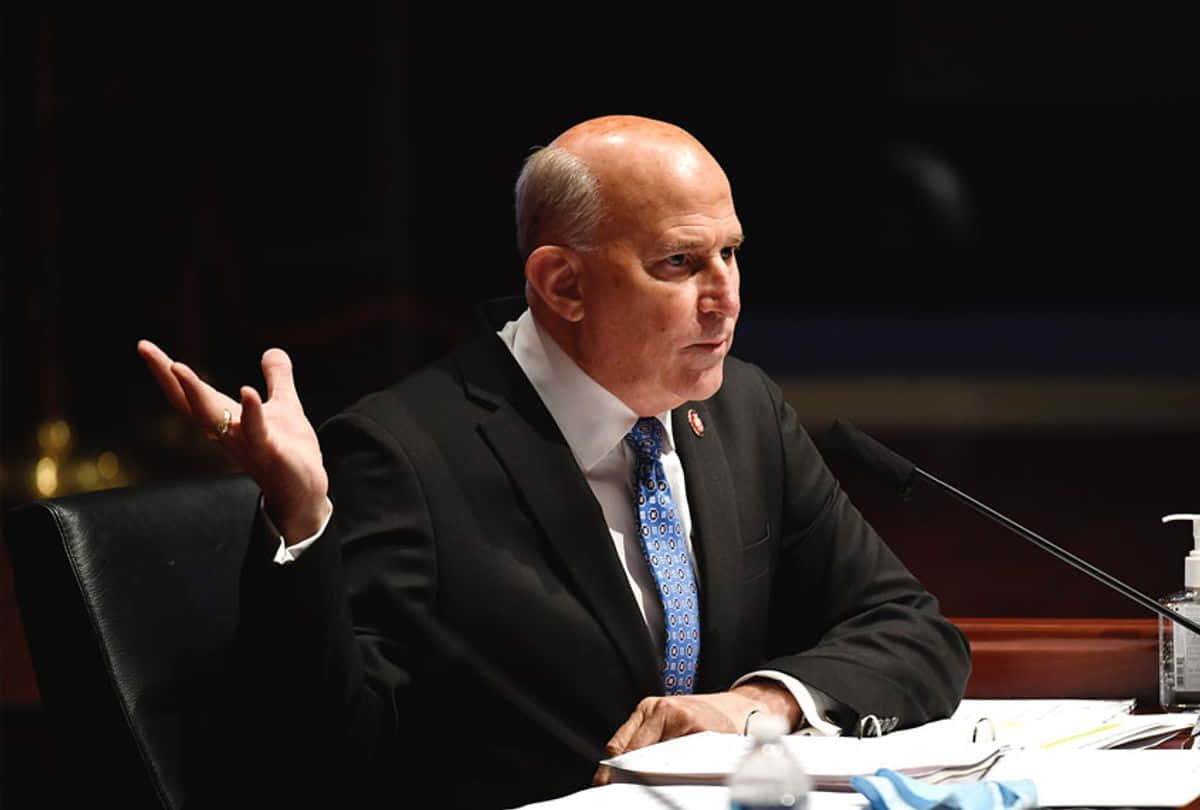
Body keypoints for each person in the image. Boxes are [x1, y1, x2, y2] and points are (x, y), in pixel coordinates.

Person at [138, 115, 970, 808]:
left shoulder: (741, 409)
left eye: (733, 253)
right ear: (563, 285)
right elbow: (322, 757)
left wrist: (756, 705)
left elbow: (912, 630)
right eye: (679, 263)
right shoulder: (405, 457)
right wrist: (305, 518)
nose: (726, 295)